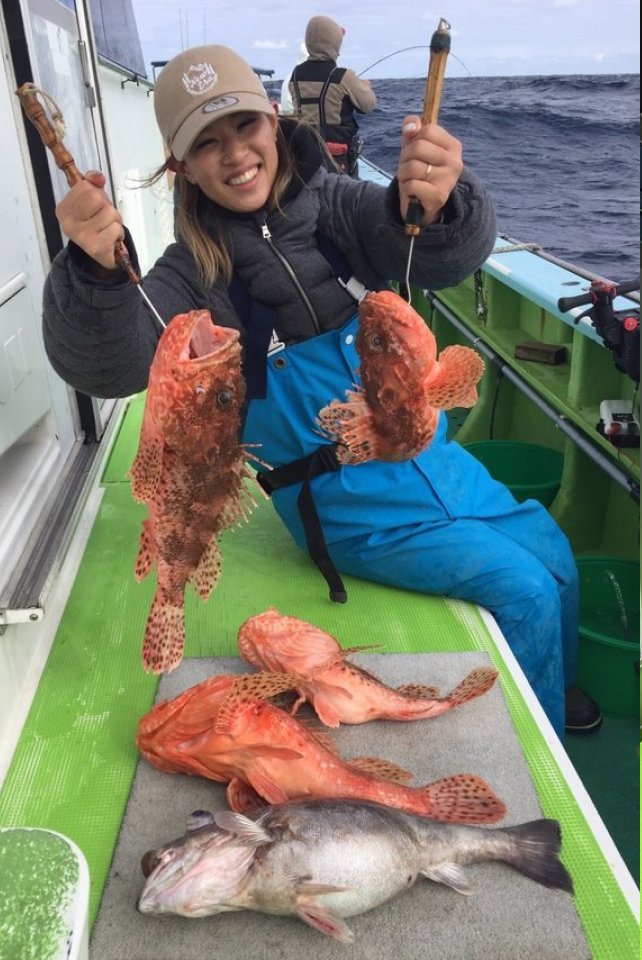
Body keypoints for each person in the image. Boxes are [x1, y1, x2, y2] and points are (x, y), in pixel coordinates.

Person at [41, 44, 600, 736]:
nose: (235, 153)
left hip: (438, 464)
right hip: (348, 510)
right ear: (180, 166)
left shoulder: (336, 207)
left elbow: (441, 253)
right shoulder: (191, 276)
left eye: (244, 126)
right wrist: (94, 275)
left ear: (274, 123)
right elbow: (112, 363)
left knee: (555, 556)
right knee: (525, 594)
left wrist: (438, 200)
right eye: (206, 144)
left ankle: (557, 682)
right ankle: (543, 740)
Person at [288, 15, 376, 177]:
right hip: (336, 159)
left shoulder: (295, 75)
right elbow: (368, 105)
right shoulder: (343, 76)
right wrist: (365, 87)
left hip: (304, 153)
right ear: (335, 44)